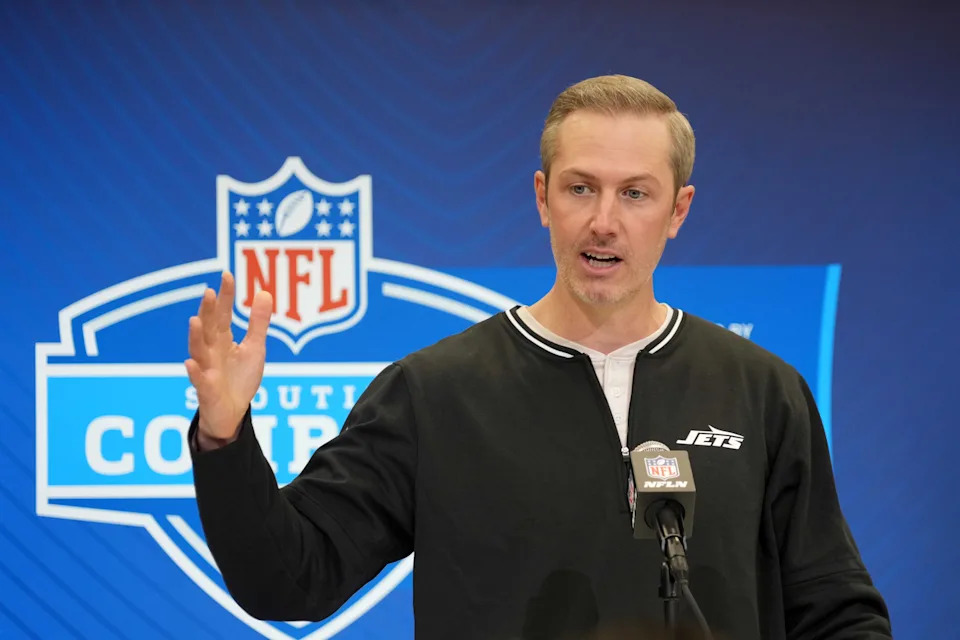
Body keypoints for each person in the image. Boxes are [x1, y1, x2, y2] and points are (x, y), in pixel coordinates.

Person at [185, 75, 892, 639]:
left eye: (635, 194)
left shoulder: (762, 391)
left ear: (678, 211)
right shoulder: (433, 394)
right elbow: (288, 578)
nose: (603, 221)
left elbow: (834, 609)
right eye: (580, 188)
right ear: (541, 197)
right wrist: (223, 440)